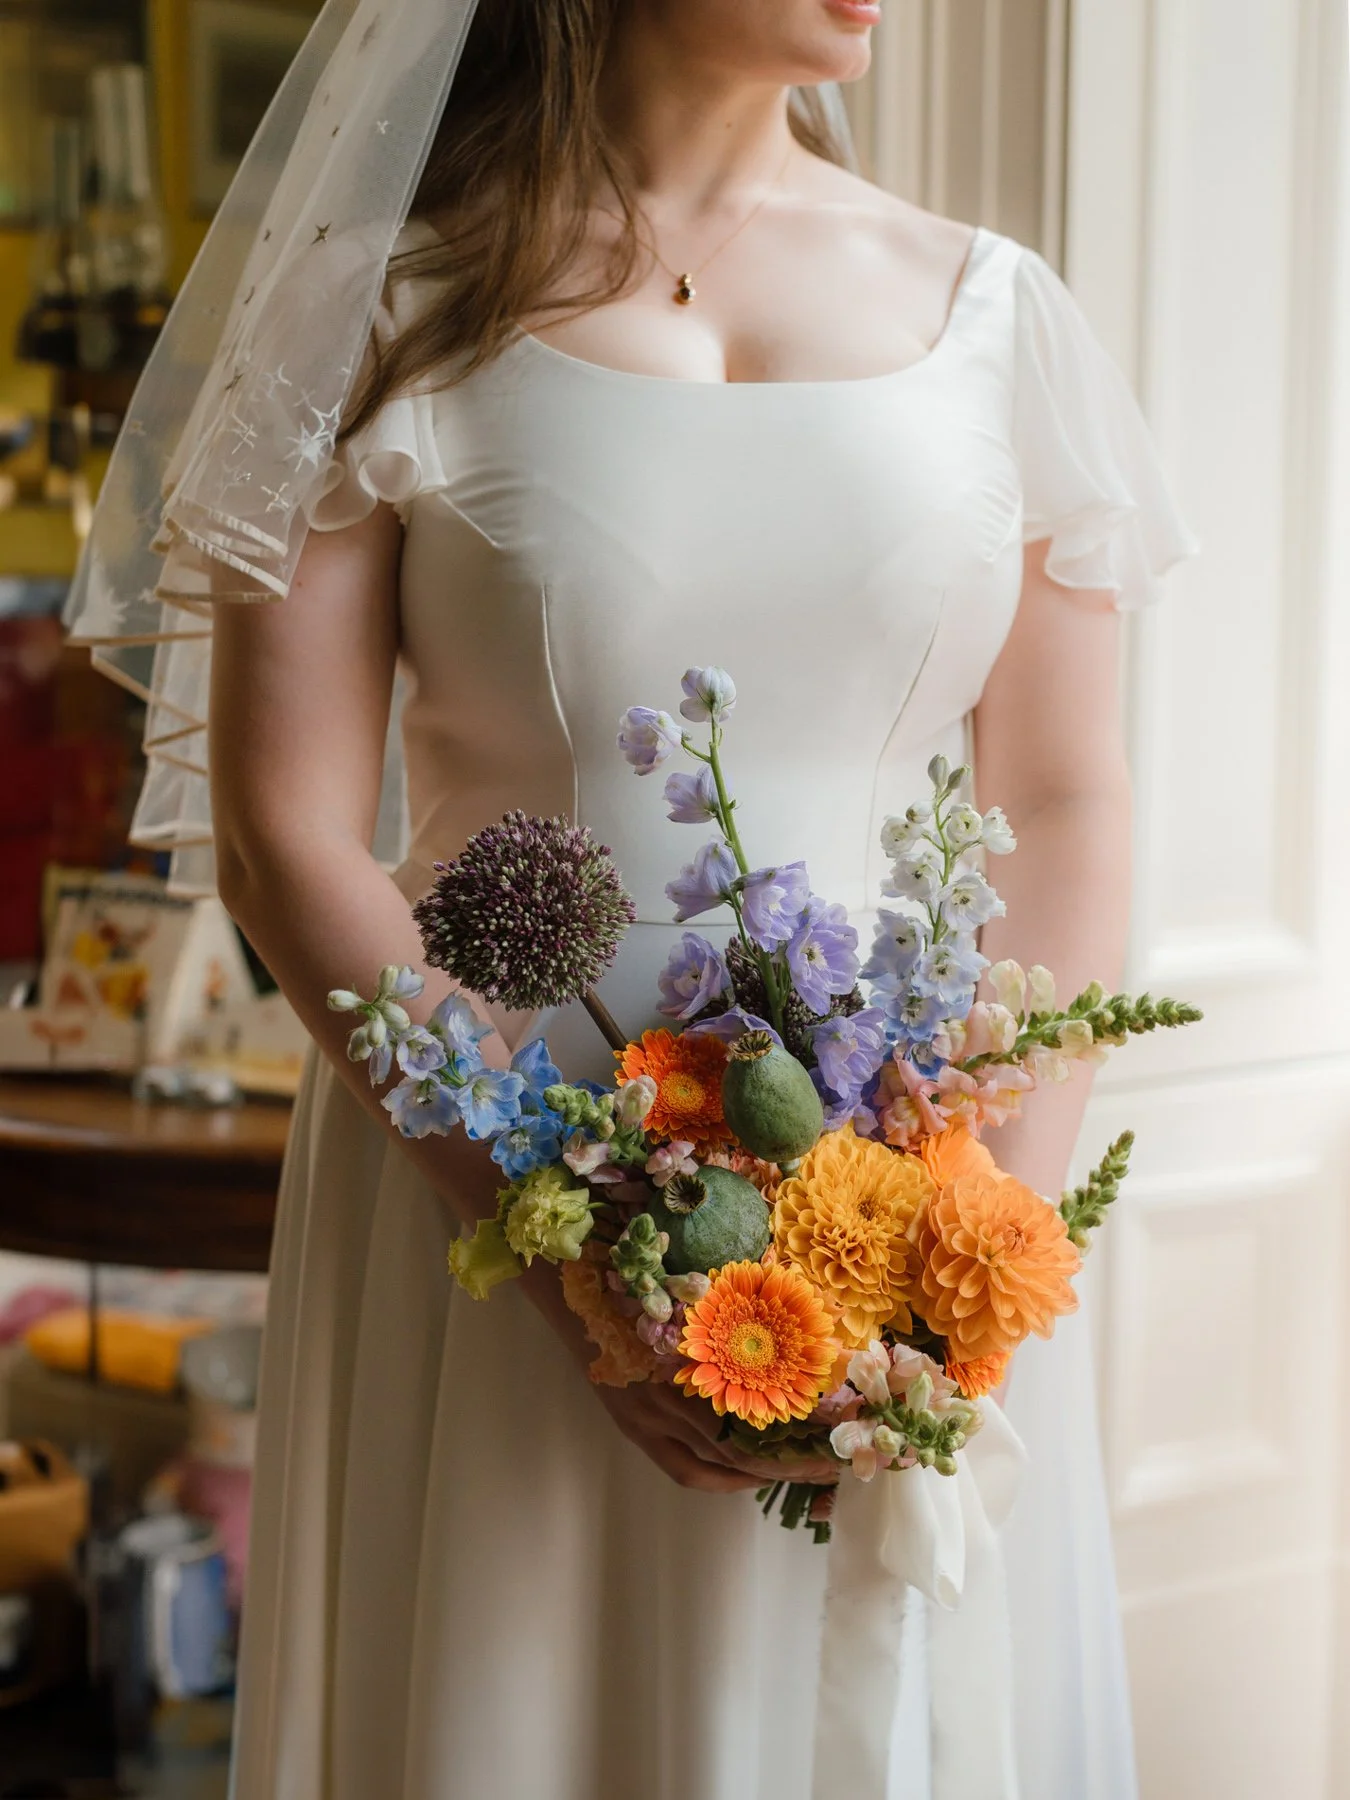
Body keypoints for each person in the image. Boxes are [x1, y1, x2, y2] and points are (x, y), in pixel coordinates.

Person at [70, 1, 1197, 1794]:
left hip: (903, 1193)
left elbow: (1063, 797)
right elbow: (289, 831)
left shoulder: (997, 314)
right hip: (489, 1183)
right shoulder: (375, 303)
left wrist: (962, 1250)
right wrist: (573, 1255)